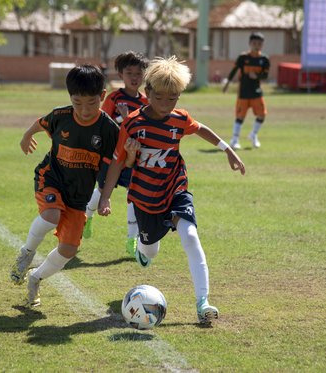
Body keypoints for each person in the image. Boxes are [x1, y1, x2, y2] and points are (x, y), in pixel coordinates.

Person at [98, 56, 246, 325]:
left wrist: (228, 150)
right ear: (148, 92)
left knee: (190, 236)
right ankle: (143, 251)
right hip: (145, 199)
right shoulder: (133, 123)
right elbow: (119, 162)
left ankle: (203, 303)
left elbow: (201, 129)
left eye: (173, 98)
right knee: (150, 251)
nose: (167, 105)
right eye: (161, 98)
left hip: (175, 188)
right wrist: (106, 196)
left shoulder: (179, 120)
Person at [9, 64, 121, 308]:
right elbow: (41, 124)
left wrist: (105, 197)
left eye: (91, 103)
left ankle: (35, 278)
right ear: (70, 97)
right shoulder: (61, 116)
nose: (84, 110)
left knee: (69, 250)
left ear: (102, 96)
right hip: (51, 178)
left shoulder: (109, 129)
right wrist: (26, 136)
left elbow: (115, 165)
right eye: (77, 102)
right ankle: (26, 253)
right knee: (50, 216)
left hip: (79, 195)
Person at [84, 51, 149, 257]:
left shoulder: (146, 102)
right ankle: (87, 216)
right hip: (110, 158)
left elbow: (143, 129)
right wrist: (123, 119)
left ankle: (132, 238)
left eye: (138, 73)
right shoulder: (114, 98)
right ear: (121, 74)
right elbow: (103, 125)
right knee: (102, 192)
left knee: (134, 196)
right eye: (129, 72)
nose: (134, 77)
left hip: (132, 158)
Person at [222, 32, 270, 150]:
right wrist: (227, 83)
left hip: (256, 92)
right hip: (243, 92)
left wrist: (257, 75)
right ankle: (235, 139)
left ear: (262, 45)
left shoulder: (264, 59)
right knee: (240, 117)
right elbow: (234, 70)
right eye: (254, 43)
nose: (256, 45)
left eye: (259, 43)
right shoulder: (243, 57)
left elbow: (265, 76)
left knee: (262, 115)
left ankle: (253, 134)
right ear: (249, 43)